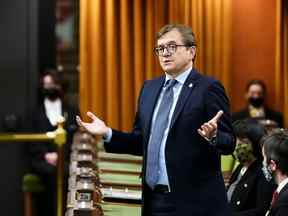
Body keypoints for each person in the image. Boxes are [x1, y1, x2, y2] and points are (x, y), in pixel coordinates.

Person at [77, 24, 235, 216]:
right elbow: (140, 142)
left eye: (172, 47)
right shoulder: (150, 88)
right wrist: (107, 133)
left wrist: (214, 136)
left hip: (194, 204)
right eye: (160, 48)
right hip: (154, 201)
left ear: (191, 51)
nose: (165, 53)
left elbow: (229, 143)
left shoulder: (208, 88)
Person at [29, 69, 79, 216]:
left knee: (67, 173)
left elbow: (75, 138)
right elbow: (31, 141)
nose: (49, 88)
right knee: (51, 174)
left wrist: (61, 155)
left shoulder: (71, 110)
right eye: (46, 85)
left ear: (60, 86)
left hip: (66, 160)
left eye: (53, 84)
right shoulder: (34, 112)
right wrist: (46, 155)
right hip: (41, 160)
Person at [227, 119, 275, 215]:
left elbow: (261, 210)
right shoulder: (241, 167)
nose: (237, 146)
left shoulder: (263, 171)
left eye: (243, 142)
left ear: (256, 144)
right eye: (236, 140)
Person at [262, 129, 288, 216]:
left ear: (273, 165)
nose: (263, 163)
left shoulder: (285, 200)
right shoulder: (281, 192)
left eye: (264, 158)